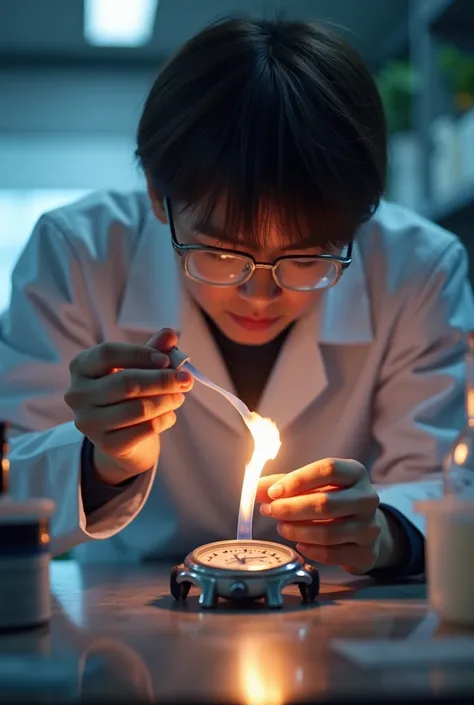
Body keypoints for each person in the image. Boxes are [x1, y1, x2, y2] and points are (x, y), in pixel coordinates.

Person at [1, 16, 473, 576]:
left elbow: (443, 480)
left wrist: (384, 531)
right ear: (158, 196)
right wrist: (104, 460)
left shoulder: (419, 269)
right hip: (128, 611)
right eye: (223, 252)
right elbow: (13, 488)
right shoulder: (79, 252)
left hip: (340, 608)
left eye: (306, 256)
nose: (259, 293)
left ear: (361, 217)